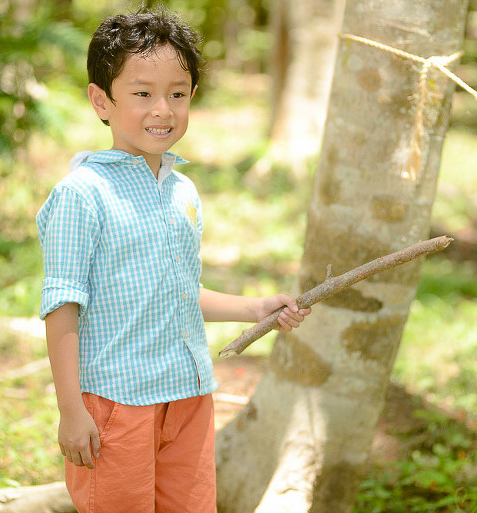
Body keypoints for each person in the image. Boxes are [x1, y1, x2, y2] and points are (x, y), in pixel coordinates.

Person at [37, 9, 310, 513]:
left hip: (187, 395)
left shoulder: (181, 190)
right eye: (142, 93)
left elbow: (178, 292)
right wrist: (71, 410)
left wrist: (256, 308)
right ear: (102, 99)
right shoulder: (82, 194)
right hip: (115, 405)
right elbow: (62, 307)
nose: (162, 109)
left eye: (178, 93)